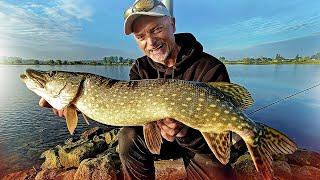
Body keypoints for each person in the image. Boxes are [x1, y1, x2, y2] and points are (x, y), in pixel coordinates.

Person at [39, 0, 244, 179]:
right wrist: (78, 106)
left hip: (201, 146)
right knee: (127, 137)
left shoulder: (209, 68)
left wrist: (184, 133)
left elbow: (222, 133)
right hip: (159, 142)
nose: (151, 42)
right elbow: (128, 115)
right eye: (141, 36)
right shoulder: (140, 68)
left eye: (156, 29)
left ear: (172, 24)